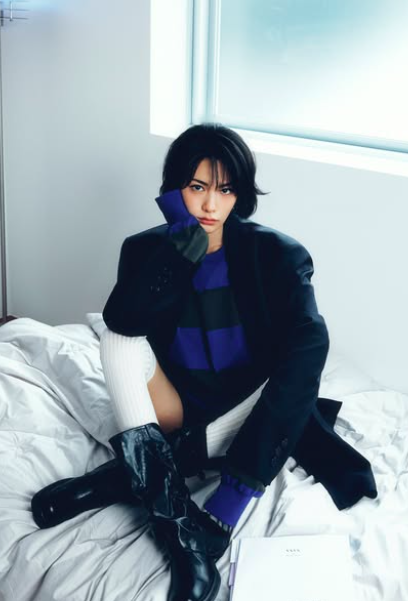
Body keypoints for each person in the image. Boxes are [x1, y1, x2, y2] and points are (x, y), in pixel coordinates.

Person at [31, 123, 378, 601]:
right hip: (178, 404)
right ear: (175, 191)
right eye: (196, 188)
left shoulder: (278, 255)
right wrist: (181, 248)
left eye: (225, 190)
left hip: (244, 408)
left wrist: (226, 507)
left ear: (240, 195)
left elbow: (308, 348)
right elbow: (123, 321)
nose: (210, 205)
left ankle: (136, 487)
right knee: (118, 341)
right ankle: (178, 525)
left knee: (302, 360)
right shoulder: (146, 250)